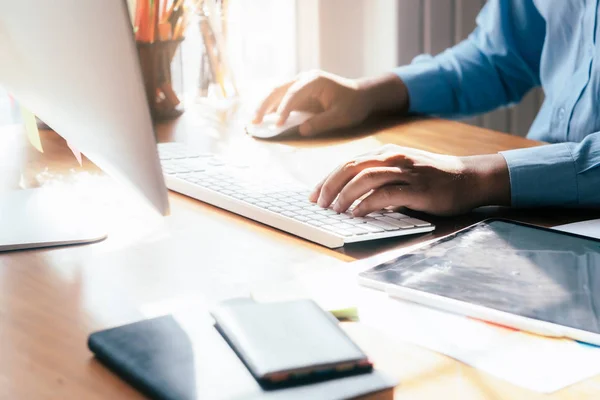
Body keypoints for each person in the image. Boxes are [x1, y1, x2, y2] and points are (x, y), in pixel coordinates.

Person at [252, 0, 600, 217]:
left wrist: (477, 177)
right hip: (533, 207)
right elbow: (499, 56)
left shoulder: (484, 180)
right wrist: (369, 94)